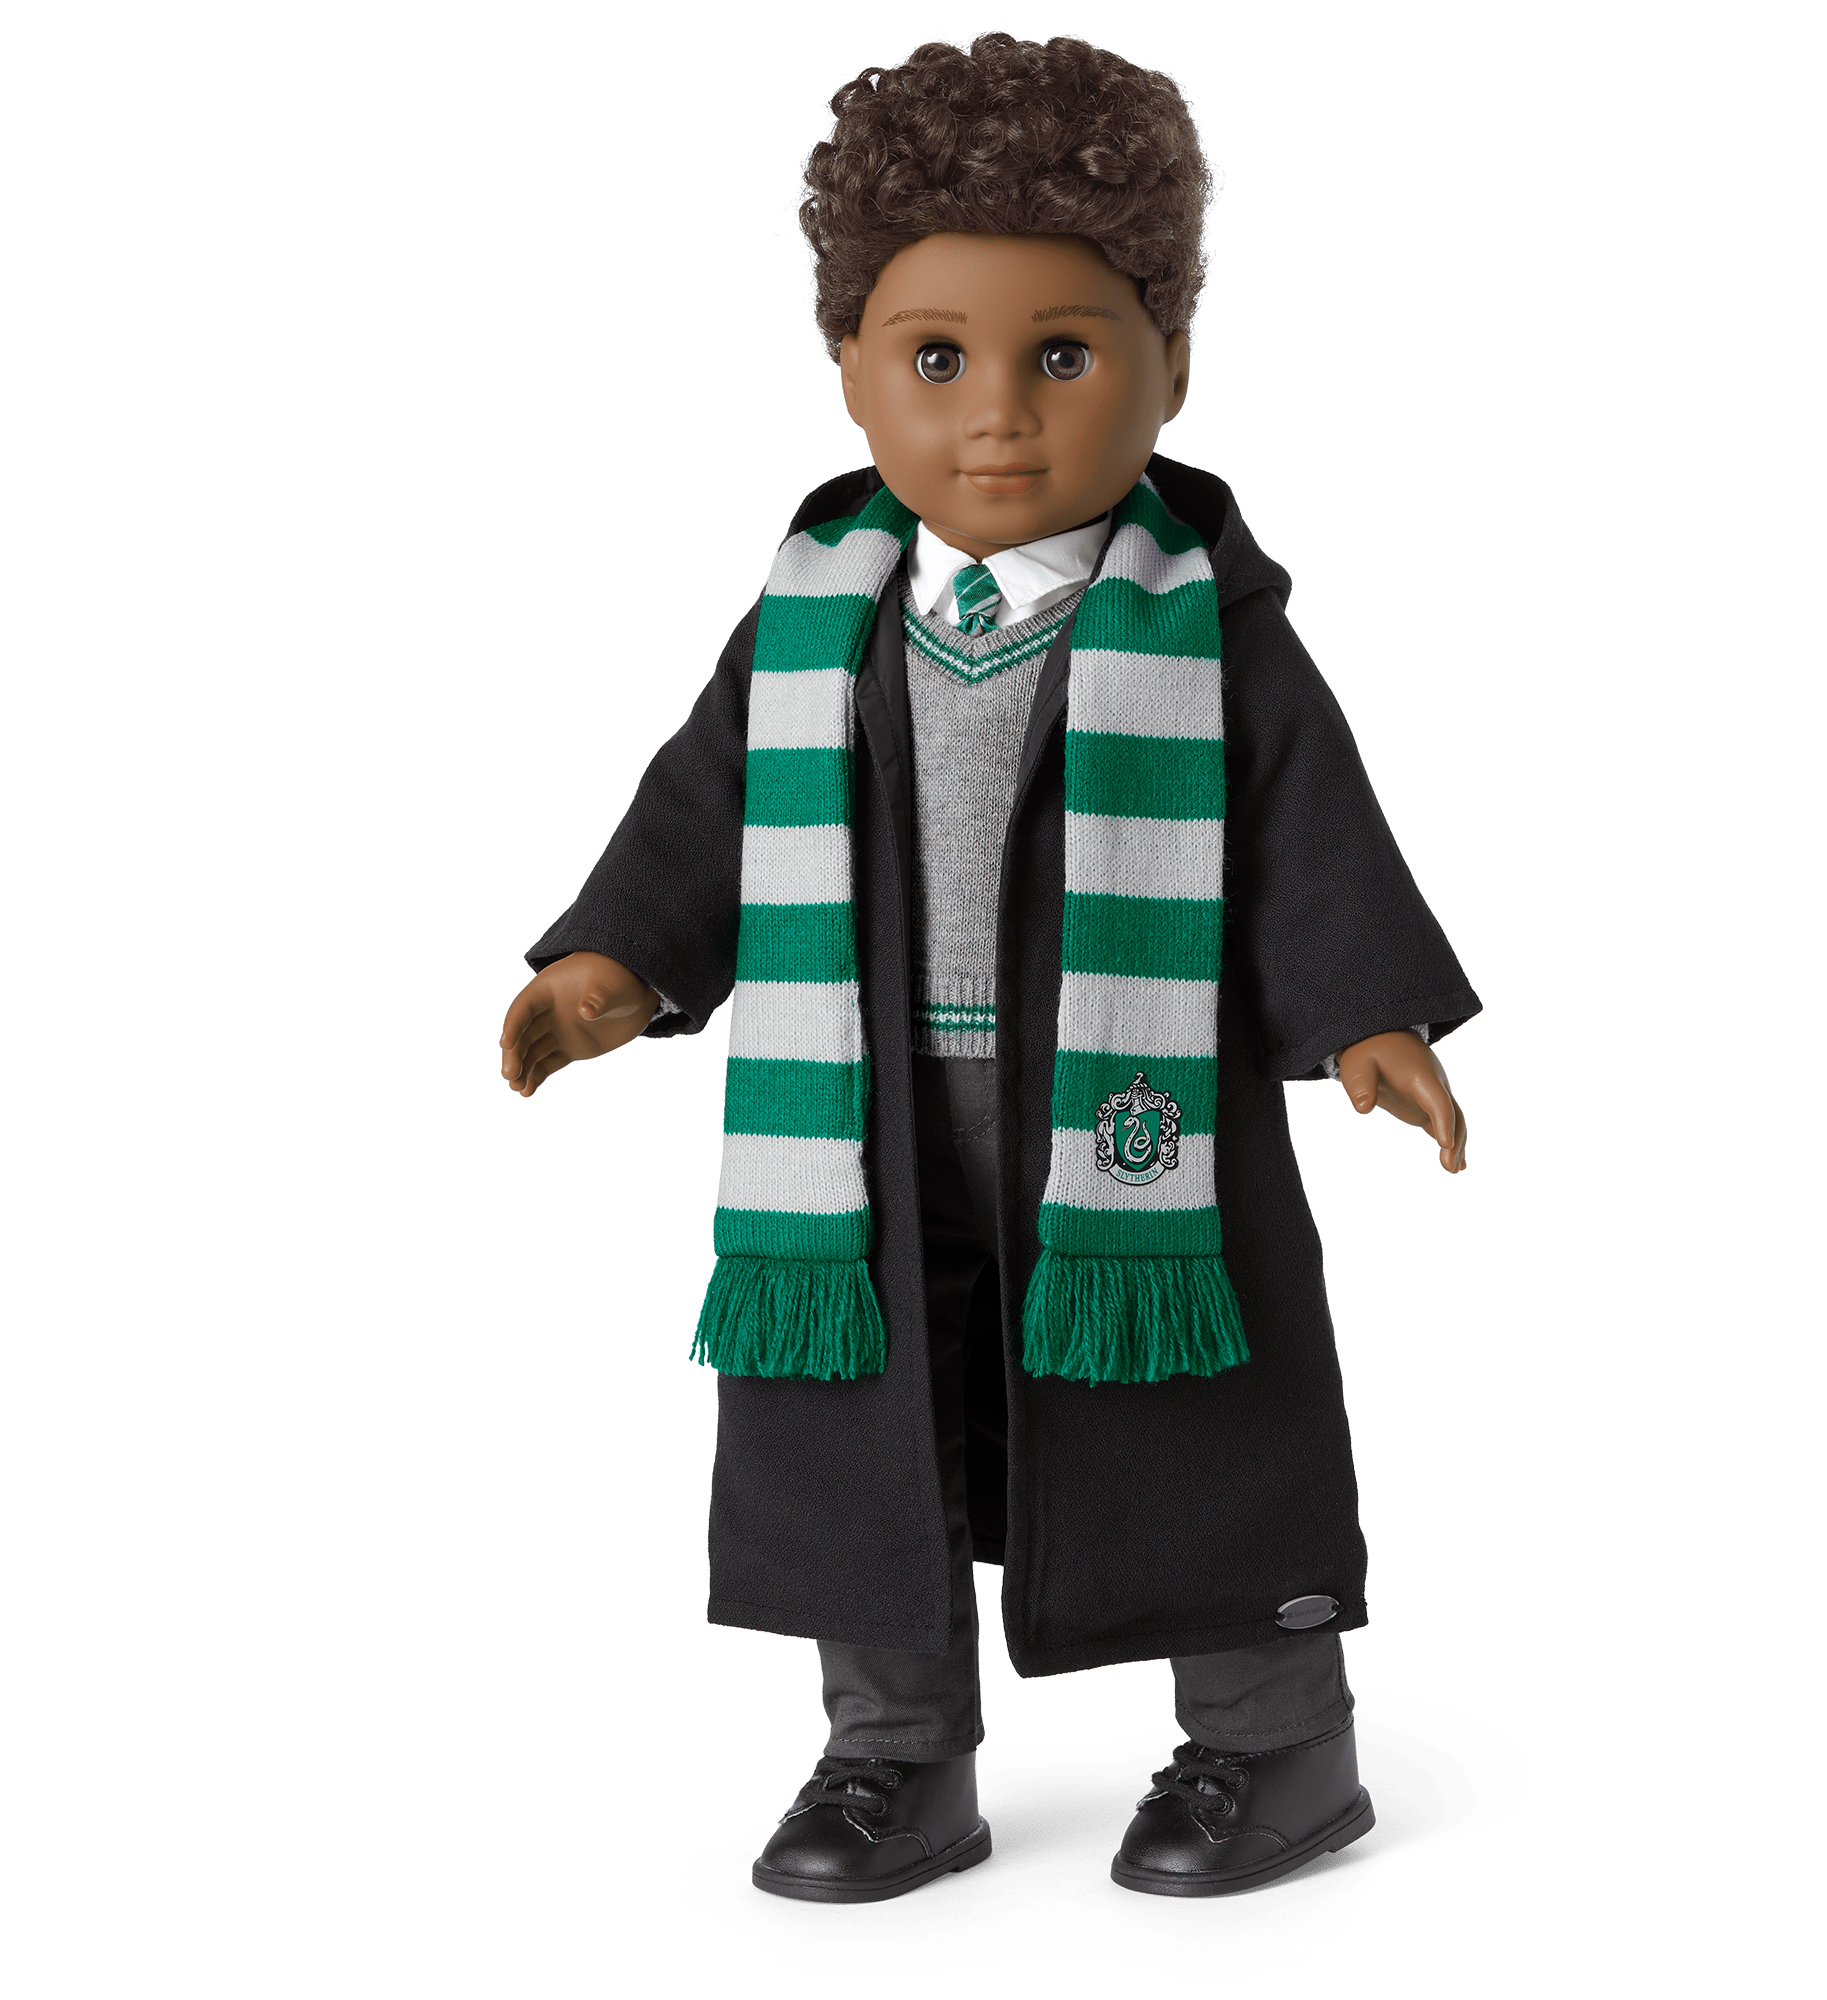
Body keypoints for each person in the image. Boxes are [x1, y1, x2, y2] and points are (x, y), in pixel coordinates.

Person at [498, 31, 1479, 1904]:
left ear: (1172, 364)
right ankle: (893, 1758)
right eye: (937, 359)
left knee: (1198, 1418)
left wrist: (1366, 1014)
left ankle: (1274, 1743)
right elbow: (707, 811)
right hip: (859, 1124)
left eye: (1065, 356)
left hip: (1136, 1117)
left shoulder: (1205, 635)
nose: (1000, 418)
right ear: (850, 368)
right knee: (864, 1431)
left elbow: (1308, 831)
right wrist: (614, 960)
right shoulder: (813, 627)